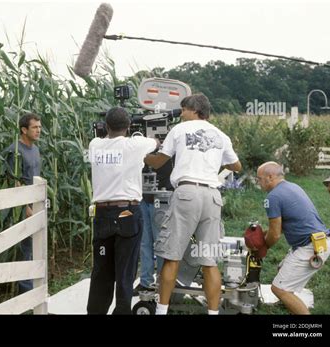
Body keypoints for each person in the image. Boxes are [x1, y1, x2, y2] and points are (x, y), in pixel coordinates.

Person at [144, 94, 241, 315]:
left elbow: (160, 160)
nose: (181, 114)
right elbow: (236, 165)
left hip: (187, 193)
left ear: (193, 110)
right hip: (212, 196)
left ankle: (161, 311)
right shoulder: (221, 135)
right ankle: (213, 312)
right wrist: (211, 166)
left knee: (172, 256)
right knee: (209, 261)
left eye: (183, 110)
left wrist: (141, 155)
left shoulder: (179, 130)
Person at [87, 107, 158, 314]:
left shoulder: (94, 145)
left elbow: (103, 136)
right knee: (125, 273)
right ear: (128, 127)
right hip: (127, 213)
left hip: (102, 215)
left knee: (101, 271)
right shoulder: (135, 145)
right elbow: (156, 143)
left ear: (106, 126)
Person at [256, 161, 330, 314]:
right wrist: (262, 233)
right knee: (282, 270)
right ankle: (290, 305)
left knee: (279, 288)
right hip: (320, 241)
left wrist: (261, 249)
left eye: (259, 179)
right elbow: (283, 225)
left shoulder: (273, 197)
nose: (258, 182)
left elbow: (275, 234)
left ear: (269, 177)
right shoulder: (293, 187)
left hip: (311, 247)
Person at [4, 112, 42, 294]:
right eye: (34, 127)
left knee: (36, 246)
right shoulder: (15, 151)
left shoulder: (35, 149)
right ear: (23, 129)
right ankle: (26, 292)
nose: (38, 130)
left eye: (39, 127)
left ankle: (34, 286)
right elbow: (14, 181)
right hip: (22, 208)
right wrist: (25, 207)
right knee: (25, 249)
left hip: (37, 204)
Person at [133, 159, 173, 295]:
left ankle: (163, 282)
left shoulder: (168, 146)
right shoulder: (142, 144)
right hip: (142, 198)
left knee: (161, 242)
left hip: (161, 197)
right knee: (144, 242)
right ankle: (145, 282)